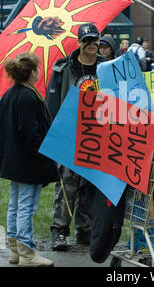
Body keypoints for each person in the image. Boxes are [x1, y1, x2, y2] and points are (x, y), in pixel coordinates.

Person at [45, 23, 107, 251]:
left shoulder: (107, 67)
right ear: (79, 43)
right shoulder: (64, 69)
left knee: (90, 186)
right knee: (67, 185)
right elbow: (52, 105)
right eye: (87, 41)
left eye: (95, 41)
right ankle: (59, 231)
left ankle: (86, 230)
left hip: (98, 137)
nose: (92, 45)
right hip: (70, 136)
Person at [0, 52, 59, 266]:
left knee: (15, 205)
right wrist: (44, 156)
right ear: (32, 72)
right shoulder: (27, 96)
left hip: (15, 161)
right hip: (28, 163)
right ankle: (27, 253)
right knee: (25, 206)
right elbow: (31, 133)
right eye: (38, 69)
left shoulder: (10, 94)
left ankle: (16, 249)